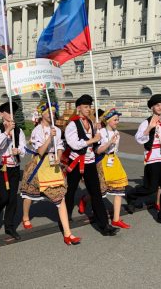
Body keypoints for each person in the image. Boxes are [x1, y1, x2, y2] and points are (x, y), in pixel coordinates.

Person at [20, 102, 81, 245]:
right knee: (30, 194)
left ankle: (68, 233)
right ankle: (25, 216)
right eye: (49, 111)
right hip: (40, 164)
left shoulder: (58, 130)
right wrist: (49, 137)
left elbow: (60, 146)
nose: (52, 114)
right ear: (42, 114)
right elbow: (40, 151)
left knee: (61, 198)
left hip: (53, 164)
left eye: (53, 111)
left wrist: (59, 156)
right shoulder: (37, 131)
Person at [64, 94, 119, 236]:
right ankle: (65, 217)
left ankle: (104, 225)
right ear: (79, 108)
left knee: (96, 193)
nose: (89, 109)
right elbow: (74, 144)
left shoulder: (92, 123)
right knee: (70, 191)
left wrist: (98, 134)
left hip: (89, 161)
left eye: (90, 106)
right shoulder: (72, 124)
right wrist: (91, 140)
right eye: (86, 107)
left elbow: (96, 143)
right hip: (76, 161)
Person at [126, 94, 161, 228]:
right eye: (157, 105)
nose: (160, 107)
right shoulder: (146, 122)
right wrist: (149, 128)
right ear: (152, 107)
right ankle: (131, 195)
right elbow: (138, 139)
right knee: (150, 188)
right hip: (152, 159)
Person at [0, 101, 26, 240]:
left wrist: (19, 150)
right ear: (2, 114)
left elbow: (23, 148)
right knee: (4, 197)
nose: (12, 115)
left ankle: (9, 227)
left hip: (14, 167)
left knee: (12, 199)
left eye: (13, 112)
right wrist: (7, 131)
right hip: (2, 168)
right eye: (9, 112)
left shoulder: (19, 130)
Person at [94, 108, 131, 229]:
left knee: (119, 189)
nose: (117, 121)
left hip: (114, 161)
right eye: (115, 119)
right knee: (100, 189)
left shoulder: (117, 133)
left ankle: (116, 219)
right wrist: (110, 142)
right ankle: (86, 198)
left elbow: (115, 150)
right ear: (108, 120)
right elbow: (98, 150)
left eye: (118, 119)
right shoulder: (101, 132)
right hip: (102, 161)